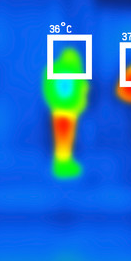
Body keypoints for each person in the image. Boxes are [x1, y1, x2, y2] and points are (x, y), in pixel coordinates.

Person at [42, 46, 90, 179]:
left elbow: (80, 89)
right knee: (63, 137)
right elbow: (77, 89)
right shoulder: (67, 70)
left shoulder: (58, 69)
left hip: (65, 110)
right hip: (64, 109)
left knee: (66, 137)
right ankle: (61, 165)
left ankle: (64, 163)